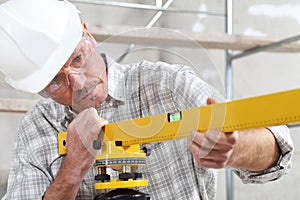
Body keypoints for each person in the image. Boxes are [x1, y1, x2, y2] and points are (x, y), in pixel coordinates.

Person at [0, 0, 293, 200]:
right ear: (37, 90)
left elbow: (278, 147)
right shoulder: (36, 129)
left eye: (78, 57)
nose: (78, 82)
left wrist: (235, 148)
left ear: (87, 34)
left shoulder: (165, 85)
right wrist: (73, 167)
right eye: (55, 81)